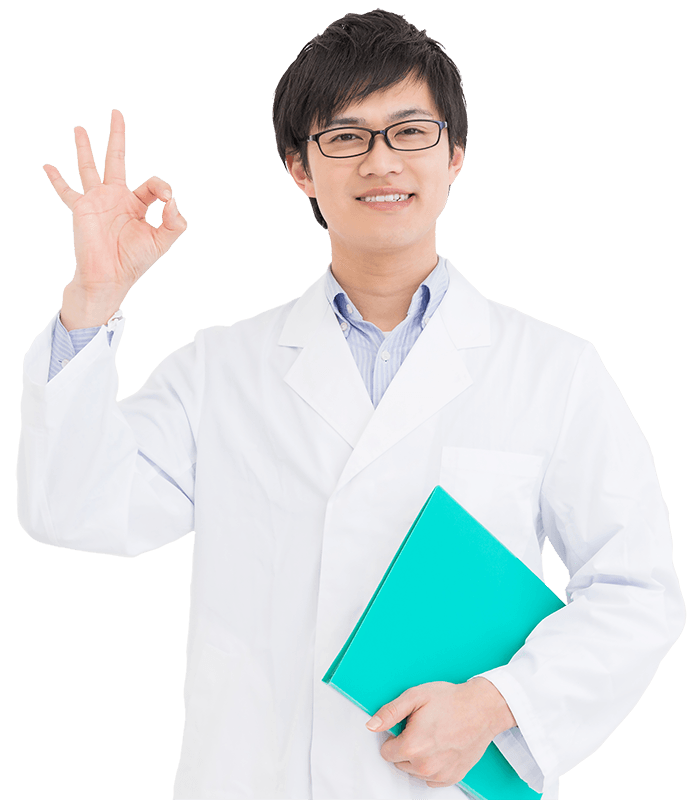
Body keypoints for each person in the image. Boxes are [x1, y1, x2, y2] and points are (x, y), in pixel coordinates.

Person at [17, 9, 685, 800]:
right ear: (300, 166)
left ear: (454, 154)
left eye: (411, 131)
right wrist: (93, 298)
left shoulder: (554, 369)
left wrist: (498, 705)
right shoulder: (221, 368)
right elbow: (73, 508)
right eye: (345, 136)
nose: (381, 161)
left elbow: (636, 592)